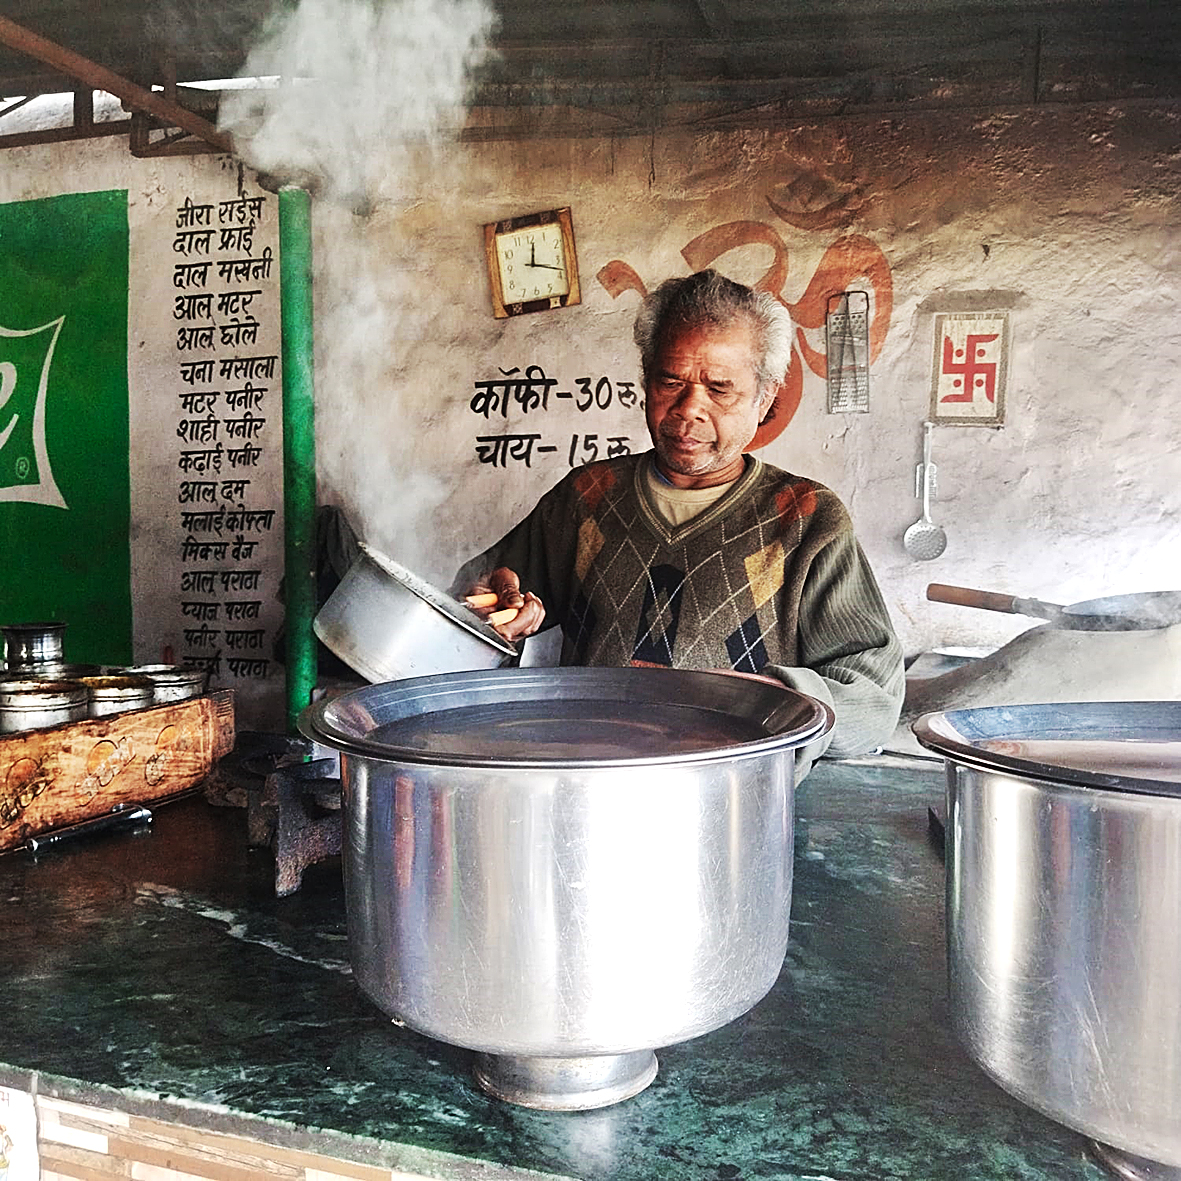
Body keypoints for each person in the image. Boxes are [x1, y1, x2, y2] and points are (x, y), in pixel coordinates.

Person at [454, 269, 904, 770]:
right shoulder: (588, 497)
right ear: (646, 379)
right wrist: (498, 601)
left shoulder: (805, 519)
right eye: (671, 382)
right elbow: (475, 595)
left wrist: (780, 698)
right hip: (585, 774)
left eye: (719, 388)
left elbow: (872, 694)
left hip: (735, 798)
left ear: (765, 395)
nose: (689, 409)